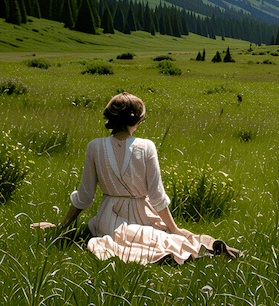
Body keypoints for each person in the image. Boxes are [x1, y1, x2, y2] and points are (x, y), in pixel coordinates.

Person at [34, 92, 240, 263]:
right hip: (143, 212)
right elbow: (157, 195)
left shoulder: (95, 146)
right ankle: (197, 252)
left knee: (147, 239)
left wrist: (63, 226)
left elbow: (85, 196)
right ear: (137, 119)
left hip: (109, 217)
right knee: (166, 238)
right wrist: (174, 228)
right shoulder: (146, 146)